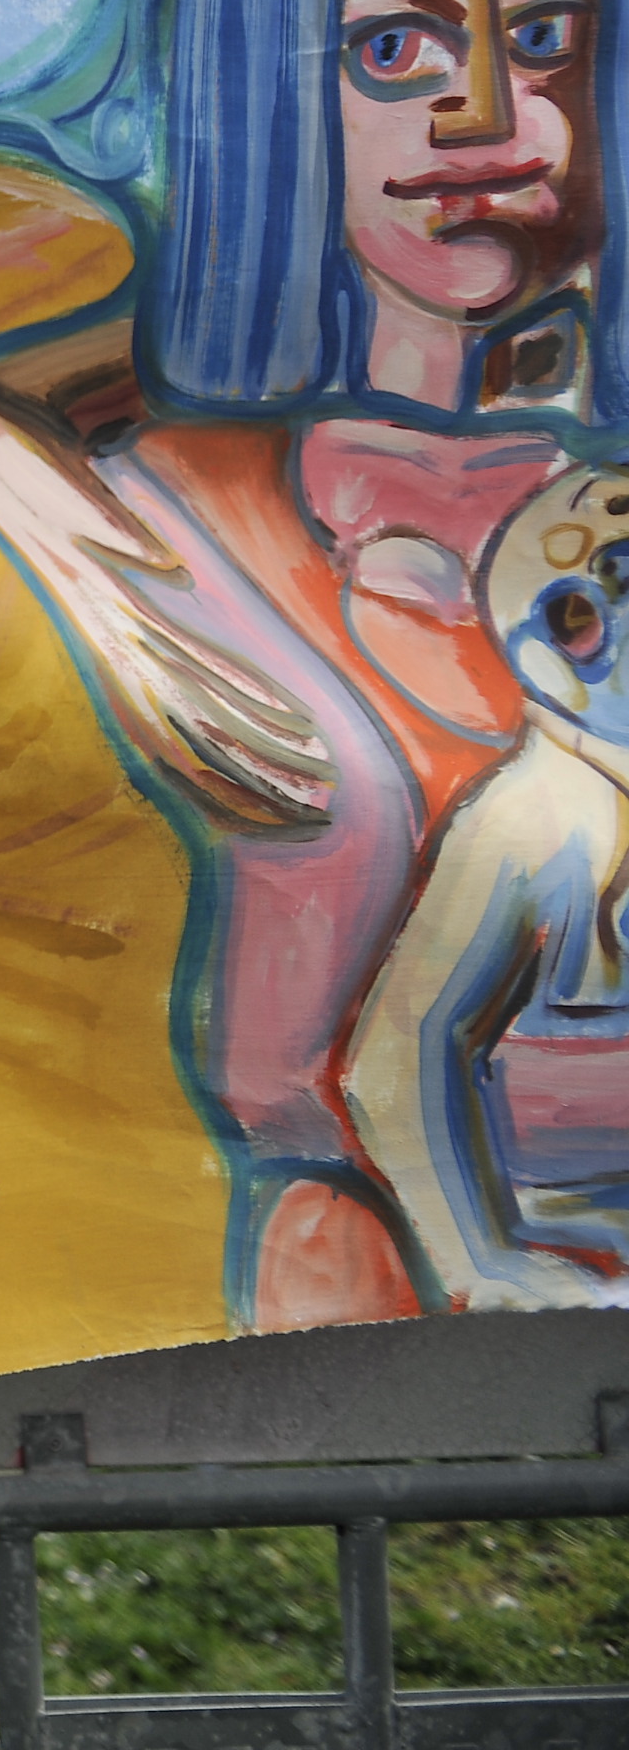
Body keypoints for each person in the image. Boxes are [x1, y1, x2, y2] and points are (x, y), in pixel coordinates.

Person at [0, 0, 629, 1325]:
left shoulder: (585, 499)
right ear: (266, 88)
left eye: (544, 35)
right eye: (394, 48)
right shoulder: (167, 513)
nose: (489, 117)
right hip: (332, 1291)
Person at [337, 461, 629, 1309]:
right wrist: (484, 1265)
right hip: (575, 1243)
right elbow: (399, 1058)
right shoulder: (534, 819)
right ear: (574, 632)